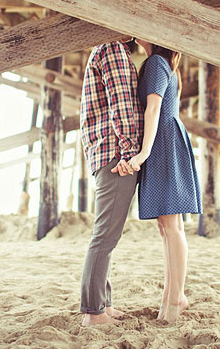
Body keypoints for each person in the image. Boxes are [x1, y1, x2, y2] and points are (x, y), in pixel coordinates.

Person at [127, 39, 201, 322]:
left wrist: (144, 152)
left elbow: (153, 109)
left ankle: (176, 298)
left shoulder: (158, 63)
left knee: (171, 227)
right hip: (163, 141)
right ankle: (173, 296)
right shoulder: (157, 63)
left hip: (164, 142)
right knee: (167, 226)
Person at [79, 39, 143, 326]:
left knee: (107, 236)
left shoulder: (102, 49)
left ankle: (103, 304)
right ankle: (94, 313)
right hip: (116, 156)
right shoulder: (112, 48)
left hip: (105, 151)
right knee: (104, 237)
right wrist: (130, 152)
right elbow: (122, 103)